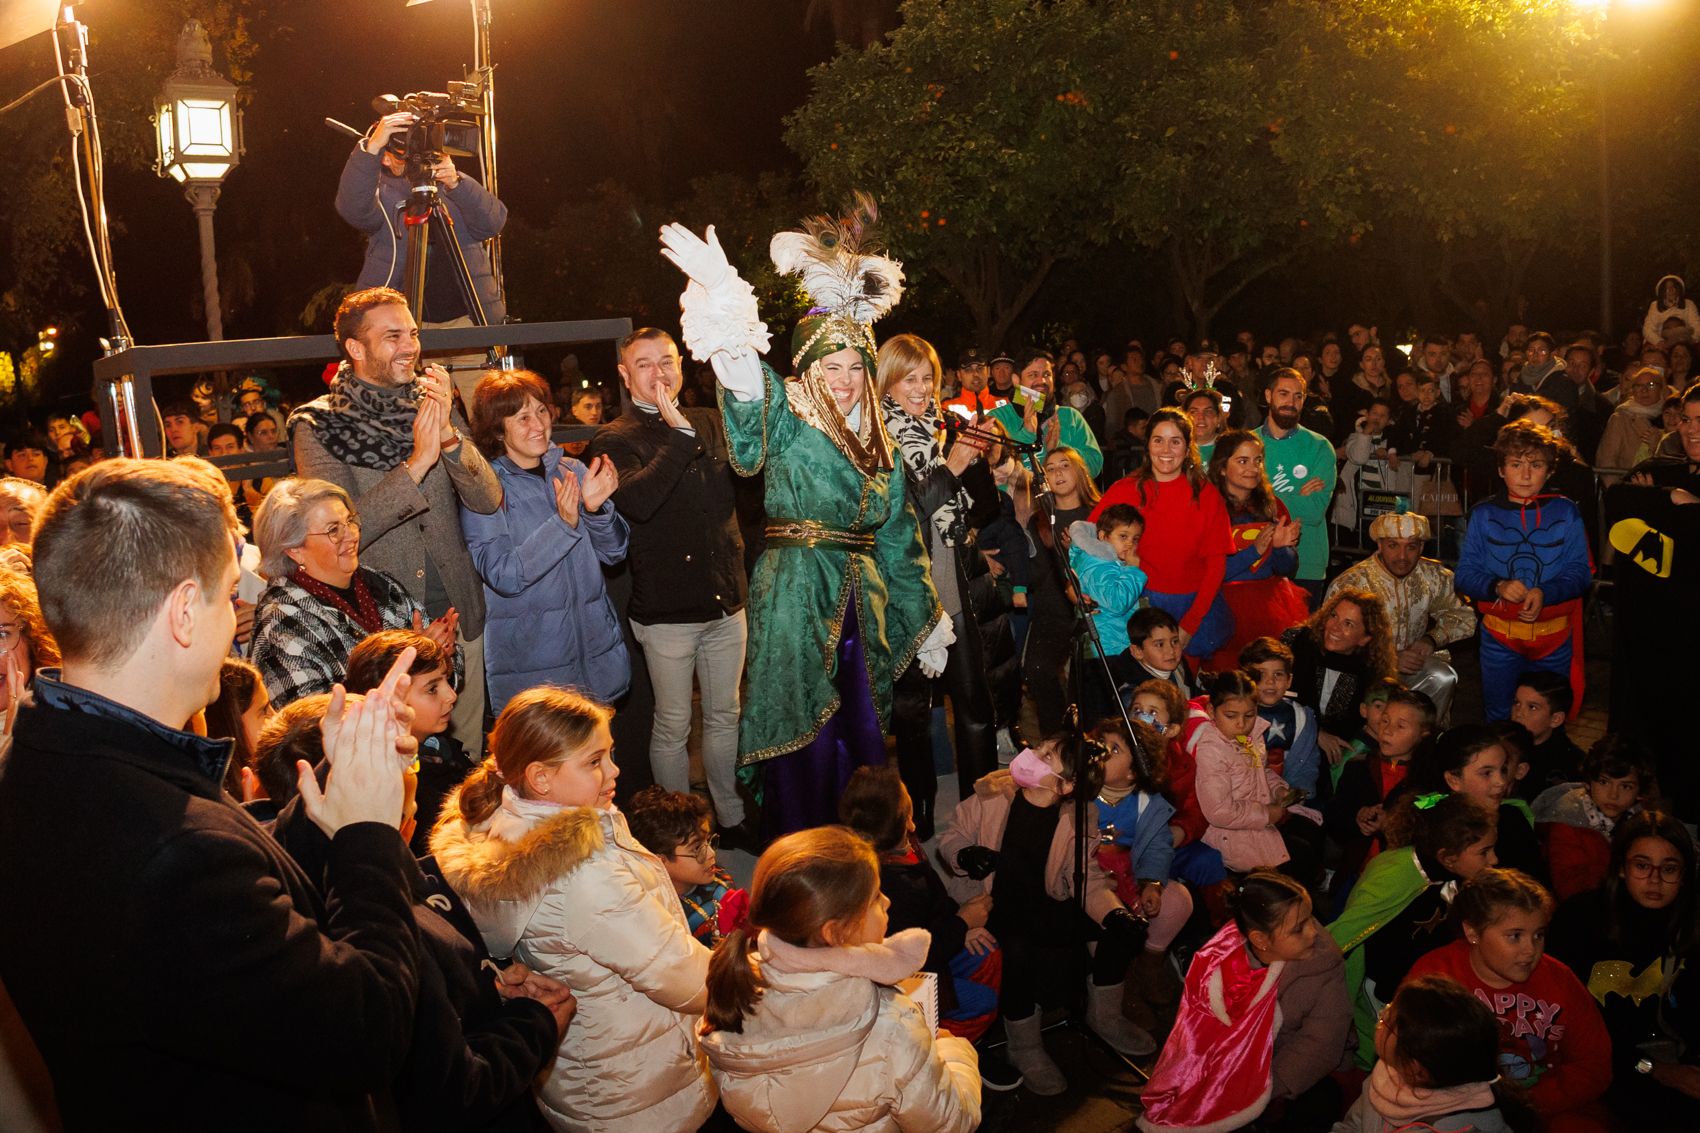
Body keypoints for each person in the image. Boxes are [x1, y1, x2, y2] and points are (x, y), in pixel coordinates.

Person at [0, 458, 427, 1126]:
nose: (238, 620)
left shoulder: (50, 756)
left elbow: (226, 929)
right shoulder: (166, 849)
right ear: (182, 614)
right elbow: (365, 1030)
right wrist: (368, 832)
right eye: (229, 595)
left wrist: (327, 803)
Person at [659, 211, 949, 838]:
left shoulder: (882, 447)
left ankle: (861, 848)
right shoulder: (790, 418)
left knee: (864, 725)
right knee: (802, 725)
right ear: (810, 370)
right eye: (831, 367)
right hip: (794, 591)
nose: (844, 382)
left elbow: (901, 539)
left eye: (854, 368)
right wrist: (728, 300)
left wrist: (926, 617)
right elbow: (745, 383)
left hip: (862, 599)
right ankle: (803, 849)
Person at [268, 694, 570, 1133]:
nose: (411, 777)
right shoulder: (375, 916)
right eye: (398, 768)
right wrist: (536, 1025)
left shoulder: (311, 875)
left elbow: (446, 995)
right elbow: (452, 1089)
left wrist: (492, 986)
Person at [431, 687, 716, 1132]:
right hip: (639, 1093)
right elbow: (679, 975)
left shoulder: (498, 819)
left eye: (610, 754)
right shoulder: (583, 875)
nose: (614, 770)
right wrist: (748, 981)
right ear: (541, 778)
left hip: (583, 1073)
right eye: (595, 761)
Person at [290, 286, 502, 754]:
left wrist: (447, 436)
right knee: (397, 759)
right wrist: (417, 464)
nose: (409, 346)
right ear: (355, 348)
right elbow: (339, 533)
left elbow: (488, 500)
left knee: (462, 754)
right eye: (392, 336)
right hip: (381, 629)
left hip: (459, 617)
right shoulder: (316, 425)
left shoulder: (434, 403)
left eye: (411, 333)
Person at [583, 327, 753, 845]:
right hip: (665, 612)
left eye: (668, 361)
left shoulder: (709, 420)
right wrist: (679, 438)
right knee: (673, 722)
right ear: (624, 373)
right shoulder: (615, 438)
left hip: (726, 598)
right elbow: (639, 502)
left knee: (725, 714)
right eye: (645, 364)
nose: (659, 373)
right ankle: (681, 831)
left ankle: (730, 815)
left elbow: (741, 490)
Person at [699, 826, 982, 1133]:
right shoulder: (891, 1026)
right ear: (834, 932)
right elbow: (952, 1123)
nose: (887, 902)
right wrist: (953, 1052)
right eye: (874, 897)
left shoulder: (736, 985)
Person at [938, 738, 1155, 1093]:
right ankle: (1023, 1045)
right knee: (1017, 951)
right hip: (993, 904)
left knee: (1114, 931)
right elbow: (952, 836)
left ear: (1066, 785)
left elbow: (1085, 876)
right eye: (1040, 749)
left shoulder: (1079, 815)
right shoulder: (992, 794)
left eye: (1047, 756)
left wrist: (1115, 914)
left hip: (1045, 900)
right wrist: (964, 855)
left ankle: (1105, 1016)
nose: (1032, 756)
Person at [880, 333, 1003, 836]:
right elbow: (906, 512)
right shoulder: (879, 437)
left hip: (955, 584)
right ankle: (922, 811)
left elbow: (982, 510)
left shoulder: (938, 428)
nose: (922, 388)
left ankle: (981, 805)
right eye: (910, 378)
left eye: (928, 377)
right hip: (910, 592)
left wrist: (982, 462)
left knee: (975, 702)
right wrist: (953, 463)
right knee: (913, 714)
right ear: (887, 381)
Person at [461, 370, 630, 713]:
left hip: (597, 665)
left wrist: (596, 511)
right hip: (535, 680)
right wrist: (563, 525)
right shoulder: (486, 489)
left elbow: (614, 553)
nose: (537, 424)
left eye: (541, 411)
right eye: (522, 417)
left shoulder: (572, 470)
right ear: (497, 429)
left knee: (600, 765)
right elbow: (503, 575)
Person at [1404, 869, 1613, 1131]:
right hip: (1457, 1108)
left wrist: (1528, 1103)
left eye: (1538, 935)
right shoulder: (1437, 975)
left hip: (1549, 1107)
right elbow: (1411, 1059)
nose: (1530, 950)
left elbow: (1594, 1065)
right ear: (1473, 932)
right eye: (1514, 936)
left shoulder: (1560, 979)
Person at [335, 109, 508, 407]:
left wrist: (456, 181)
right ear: (386, 158)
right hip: (411, 329)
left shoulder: (450, 186)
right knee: (422, 416)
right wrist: (371, 148)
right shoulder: (381, 194)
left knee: (489, 413)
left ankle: (487, 455)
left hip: (471, 322)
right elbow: (352, 208)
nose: (415, 158)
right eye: (403, 150)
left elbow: (493, 222)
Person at [249, 477, 457, 708]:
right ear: (295, 550)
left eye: (349, 521)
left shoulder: (379, 585)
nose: (351, 535)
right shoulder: (282, 621)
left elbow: (452, 673)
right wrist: (414, 664)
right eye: (333, 530)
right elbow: (312, 721)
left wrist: (440, 655)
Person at [1137, 872, 1321, 1133]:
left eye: (1311, 919)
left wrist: (1272, 1087)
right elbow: (1195, 1044)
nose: (1315, 932)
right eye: (1299, 928)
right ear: (1259, 939)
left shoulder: (1320, 965)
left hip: (1282, 1082)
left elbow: (1323, 1041)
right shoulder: (1217, 974)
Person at [1547, 811, 1700, 1123]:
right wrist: (1657, 1070)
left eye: (1669, 869)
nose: (1655, 880)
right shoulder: (1581, 921)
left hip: (1665, 1052)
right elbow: (1569, 1029)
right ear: (1621, 867)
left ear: (1684, 875)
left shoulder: (1691, 924)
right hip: (1598, 1062)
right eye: (1642, 866)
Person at [1329, 793, 1499, 1068]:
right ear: (1448, 857)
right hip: (1383, 985)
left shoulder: (1446, 874)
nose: (1494, 859)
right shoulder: (1396, 876)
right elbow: (1342, 934)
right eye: (1484, 852)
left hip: (1419, 977)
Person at [1604, 383, 1700, 812]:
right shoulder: (1668, 472)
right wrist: (1674, 503)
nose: (1692, 431)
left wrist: (1674, 510)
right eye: (1687, 420)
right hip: (1654, 630)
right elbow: (1620, 499)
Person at [1456, 419, 1592, 721]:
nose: (1526, 475)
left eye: (1536, 464)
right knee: (1500, 716)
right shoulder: (1483, 514)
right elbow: (1465, 574)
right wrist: (1497, 586)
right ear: (1501, 469)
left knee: (1548, 719)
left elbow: (1580, 573)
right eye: (1516, 464)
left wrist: (1547, 592)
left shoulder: (1566, 511)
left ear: (1550, 469)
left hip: (1554, 639)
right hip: (1499, 638)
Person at [1093, 407, 1235, 660]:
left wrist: (1189, 626)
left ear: (1187, 446)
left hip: (1193, 607)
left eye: (1175, 441)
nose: (1166, 450)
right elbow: (1091, 542)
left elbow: (1216, 566)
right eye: (1158, 440)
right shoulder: (1124, 490)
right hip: (1137, 603)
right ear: (1147, 445)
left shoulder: (1207, 495)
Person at [1090, 717, 1196, 1021]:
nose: (1100, 754)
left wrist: (1152, 883)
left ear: (1135, 770)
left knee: (1178, 901)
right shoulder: (1079, 790)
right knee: (1108, 932)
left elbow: (1159, 845)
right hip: (1091, 882)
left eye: (1113, 750)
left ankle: (1149, 963)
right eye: (1100, 746)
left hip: (1128, 876)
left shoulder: (1146, 802)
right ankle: (1115, 985)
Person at [1327, 511, 1477, 723]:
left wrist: (1432, 639)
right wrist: (1390, 657)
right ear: (1379, 545)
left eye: (1411, 546)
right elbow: (1331, 641)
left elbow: (1465, 617)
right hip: (1364, 669)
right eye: (1393, 545)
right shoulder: (1351, 583)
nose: (1402, 556)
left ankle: (1422, 741)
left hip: (1414, 667)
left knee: (1443, 677)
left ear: (1422, 547)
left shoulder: (1433, 576)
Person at [1332, 975, 1529, 1133]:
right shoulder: (1390, 1071)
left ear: (1417, 1070)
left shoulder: (1457, 1127)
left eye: (1388, 1023)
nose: (1381, 1015)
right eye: (1389, 1007)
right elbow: (1353, 1125)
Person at [343, 628, 472, 856]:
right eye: (433, 688)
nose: (451, 695)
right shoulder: (399, 787)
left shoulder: (443, 750)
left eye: (447, 681)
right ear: (392, 700)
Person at [1190, 670, 1323, 888]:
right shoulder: (1212, 750)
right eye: (1231, 716)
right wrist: (1267, 814)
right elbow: (1218, 812)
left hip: (1257, 817)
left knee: (1311, 831)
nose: (1241, 724)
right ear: (1212, 711)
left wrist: (1279, 790)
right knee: (1300, 856)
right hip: (1230, 833)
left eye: (1249, 715)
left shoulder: (1252, 735)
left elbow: (1262, 771)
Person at [1203, 429, 1310, 672]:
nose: (1252, 468)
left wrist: (1282, 549)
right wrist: (1254, 552)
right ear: (1222, 467)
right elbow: (1209, 572)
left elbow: (1287, 569)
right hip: (1223, 609)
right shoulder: (1208, 508)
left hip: (1270, 606)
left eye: (1257, 461)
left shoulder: (1272, 506)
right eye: (1242, 461)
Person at [1021, 445, 1101, 734]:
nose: (1057, 472)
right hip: (1053, 611)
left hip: (1095, 610)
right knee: (1037, 670)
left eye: (1064, 465)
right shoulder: (1039, 521)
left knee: (1088, 683)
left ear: (1079, 471)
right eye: (1050, 469)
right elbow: (1038, 575)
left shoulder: (1099, 514)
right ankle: (1057, 741)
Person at [624, 785, 749, 949]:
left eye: (708, 841)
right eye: (697, 849)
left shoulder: (721, 883)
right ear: (660, 861)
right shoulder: (658, 918)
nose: (711, 854)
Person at [1282, 588, 1397, 762]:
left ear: (1364, 639)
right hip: (1285, 736)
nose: (1335, 627)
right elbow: (1268, 697)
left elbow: (1373, 722)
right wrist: (1315, 733)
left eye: (1348, 624)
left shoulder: (1371, 670)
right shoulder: (1296, 642)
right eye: (1334, 616)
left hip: (1338, 752)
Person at [1326, 688, 1433, 872]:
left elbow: (1430, 818)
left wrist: (1391, 823)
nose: (1387, 731)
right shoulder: (1359, 768)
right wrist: (1357, 818)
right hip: (1357, 871)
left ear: (1423, 734)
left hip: (1402, 874)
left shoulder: (1427, 779)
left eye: (1400, 726)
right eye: (1385, 721)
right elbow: (1335, 817)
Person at [1256, 367, 1338, 604]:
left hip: (1307, 564)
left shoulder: (1320, 447)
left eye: (1298, 396)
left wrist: (1262, 495)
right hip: (1257, 560)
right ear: (1268, 396)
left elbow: (1313, 511)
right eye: (1283, 394)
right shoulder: (1247, 444)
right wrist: (1296, 496)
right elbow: (1239, 504)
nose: (1291, 402)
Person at [1533, 738, 1650, 901]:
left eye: (1625, 786)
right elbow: (1570, 889)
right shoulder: (1567, 821)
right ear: (1588, 783)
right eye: (1604, 782)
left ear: (1639, 792)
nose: (1613, 795)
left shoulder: (1642, 822)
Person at [1066, 502, 1147, 712]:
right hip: (1105, 649)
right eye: (1123, 536)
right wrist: (1134, 571)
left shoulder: (1105, 562)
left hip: (1108, 646)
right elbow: (1117, 602)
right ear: (1103, 536)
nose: (1129, 544)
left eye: (1135, 539)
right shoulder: (1097, 564)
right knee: (1107, 713)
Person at [987, 349, 1104, 477]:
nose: (1042, 381)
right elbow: (992, 466)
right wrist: (1026, 435)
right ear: (1016, 380)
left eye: (1047, 374)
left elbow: (1095, 465)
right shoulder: (997, 418)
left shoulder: (1070, 416)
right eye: (1033, 375)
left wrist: (1059, 450)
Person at [1240, 637, 1322, 801]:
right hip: (1244, 796)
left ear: (1289, 680)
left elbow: (1308, 763)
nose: (1270, 681)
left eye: (1278, 674)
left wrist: (1297, 796)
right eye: (1261, 674)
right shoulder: (1236, 713)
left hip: (1287, 796)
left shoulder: (1301, 718)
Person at [1597, 364, 1672, 476]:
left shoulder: (1669, 417)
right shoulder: (1621, 418)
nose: (1644, 390)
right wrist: (1614, 489)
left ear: (1661, 389)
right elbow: (1606, 460)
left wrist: (1657, 446)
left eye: (1651, 385)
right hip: (1626, 487)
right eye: (1638, 386)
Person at [940, 346, 1006, 418]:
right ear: (959, 375)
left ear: (988, 372)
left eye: (980, 368)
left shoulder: (1005, 406)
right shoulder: (947, 409)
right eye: (968, 370)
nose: (975, 374)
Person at [1642, 273, 1700, 346]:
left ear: (1679, 289)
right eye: (1667, 288)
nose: (1670, 290)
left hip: (1684, 341)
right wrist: (1659, 342)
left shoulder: (1689, 304)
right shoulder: (1654, 305)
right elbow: (1647, 329)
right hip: (1662, 342)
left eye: (1673, 287)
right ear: (1662, 291)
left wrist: (1691, 340)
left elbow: (1697, 327)